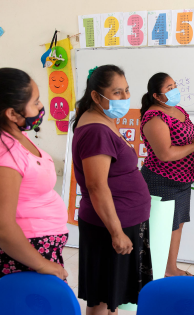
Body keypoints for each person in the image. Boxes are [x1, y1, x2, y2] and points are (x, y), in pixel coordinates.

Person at [0, 68, 69, 285]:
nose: (41, 107)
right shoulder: (2, 154)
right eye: (36, 101)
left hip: (37, 249)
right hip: (26, 254)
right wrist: (41, 263)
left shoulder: (15, 138)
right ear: (12, 114)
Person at [71, 65, 153, 314]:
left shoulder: (103, 120)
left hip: (122, 219)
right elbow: (96, 187)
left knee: (111, 294)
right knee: (101, 298)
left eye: (127, 90)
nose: (125, 97)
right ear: (96, 96)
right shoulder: (96, 130)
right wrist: (116, 233)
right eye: (117, 93)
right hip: (110, 225)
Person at [139, 73, 194, 278]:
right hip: (161, 180)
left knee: (177, 225)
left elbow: (187, 136)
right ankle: (154, 272)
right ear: (156, 96)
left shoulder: (177, 110)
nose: (174, 90)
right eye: (169, 88)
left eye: (175, 85)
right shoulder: (154, 118)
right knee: (160, 227)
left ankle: (170, 268)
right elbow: (165, 154)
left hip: (182, 180)